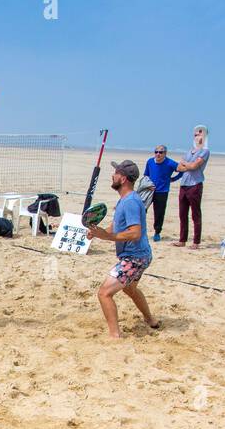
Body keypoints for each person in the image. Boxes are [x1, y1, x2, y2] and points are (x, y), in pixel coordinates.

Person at [85, 160, 160, 338]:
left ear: (124, 178)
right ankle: (151, 320)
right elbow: (116, 227)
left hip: (135, 258)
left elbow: (135, 233)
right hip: (141, 255)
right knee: (130, 289)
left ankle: (114, 336)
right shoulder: (125, 200)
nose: (113, 175)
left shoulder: (130, 202)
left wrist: (108, 236)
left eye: (116, 173)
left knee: (104, 293)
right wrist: (98, 233)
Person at [173, 125, 209, 248]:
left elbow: (194, 166)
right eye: (195, 135)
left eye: (200, 134)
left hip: (195, 185)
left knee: (195, 214)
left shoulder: (204, 151)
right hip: (184, 184)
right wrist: (188, 164)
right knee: (182, 214)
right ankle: (182, 240)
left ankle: (196, 242)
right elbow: (178, 167)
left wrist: (186, 164)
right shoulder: (189, 151)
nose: (197, 137)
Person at [142, 145, 182, 241]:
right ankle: (140, 231)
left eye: (161, 152)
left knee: (159, 213)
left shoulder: (170, 163)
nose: (158, 154)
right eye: (156, 152)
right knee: (142, 210)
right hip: (149, 191)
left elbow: (182, 171)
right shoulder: (150, 161)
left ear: (165, 153)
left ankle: (157, 232)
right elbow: (146, 174)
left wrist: (173, 179)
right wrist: (147, 185)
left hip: (162, 192)